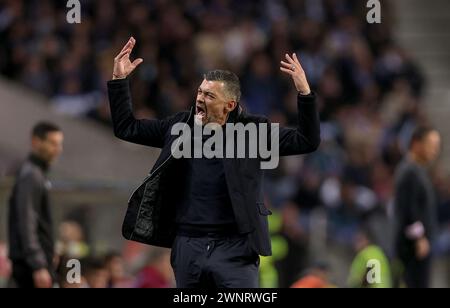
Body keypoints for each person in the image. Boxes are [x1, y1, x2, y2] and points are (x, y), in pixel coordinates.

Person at [107, 37, 320, 288]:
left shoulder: (254, 132)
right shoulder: (179, 126)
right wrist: (119, 81)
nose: (199, 98)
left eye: (209, 95)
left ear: (229, 105)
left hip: (235, 248)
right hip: (188, 244)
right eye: (199, 91)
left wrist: (305, 93)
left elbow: (306, 140)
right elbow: (127, 128)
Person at [8, 122, 64, 288]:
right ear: (36, 142)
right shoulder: (32, 175)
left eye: (60, 144)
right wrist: (38, 264)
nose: (58, 149)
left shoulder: (37, 173)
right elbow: (27, 222)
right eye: (53, 143)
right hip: (30, 266)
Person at [393, 127, 441, 288]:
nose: (435, 151)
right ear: (416, 143)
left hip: (420, 246)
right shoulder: (409, 171)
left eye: (437, 146)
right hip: (412, 248)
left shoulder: (418, 171)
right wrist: (419, 238)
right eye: (431, 145)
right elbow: (408, 209)